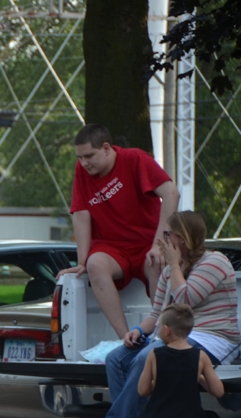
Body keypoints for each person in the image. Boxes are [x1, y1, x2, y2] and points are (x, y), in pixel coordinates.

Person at [85, 211, 237, 418]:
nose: (162, 240)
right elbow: (157, 314)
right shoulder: (170, 271)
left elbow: (186, 300)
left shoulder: (214, 262)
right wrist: (137, 330)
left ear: (183, 239)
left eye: (168, 234)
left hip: (212, 338)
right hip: (173, 335)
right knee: (116, 358)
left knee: (150, 356)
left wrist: (174, 265)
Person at [59, 124, 180, 339]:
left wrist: (159, 244)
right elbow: (81, 213)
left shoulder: (135, 159)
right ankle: (126, 339)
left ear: (106, 148)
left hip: (147, 243)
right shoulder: (83, 170)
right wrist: (81, 261)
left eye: (89, 156)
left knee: (156, 262)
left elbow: (171, 193)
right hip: (112, 247)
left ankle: (163, 337)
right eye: (80, 157)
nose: (84, 163)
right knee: (94, 264)